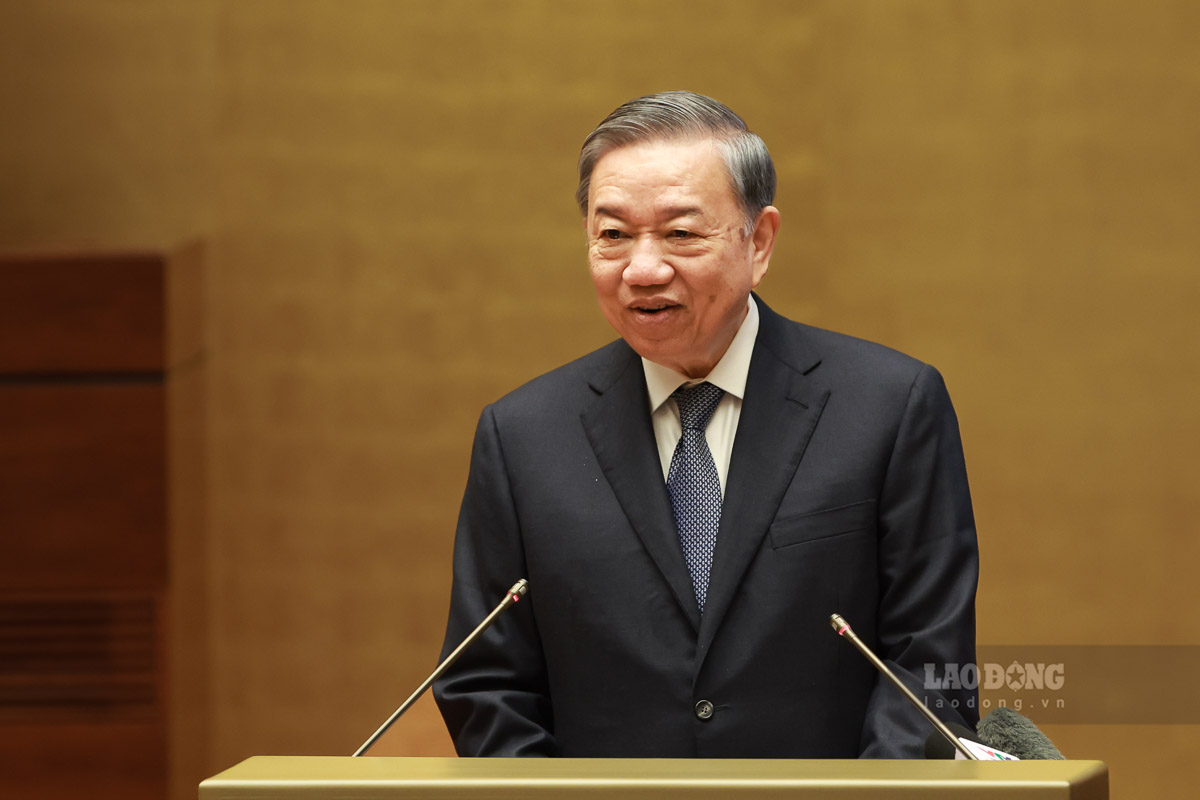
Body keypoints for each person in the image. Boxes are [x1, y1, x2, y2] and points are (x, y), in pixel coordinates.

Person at [432, 91, 978, 758]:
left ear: (760, 240)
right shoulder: (522, 438)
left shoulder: (889, 408)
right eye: (612, 235)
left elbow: (930, 666)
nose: (643, 268)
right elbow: (486, 684)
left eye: (680, 233)